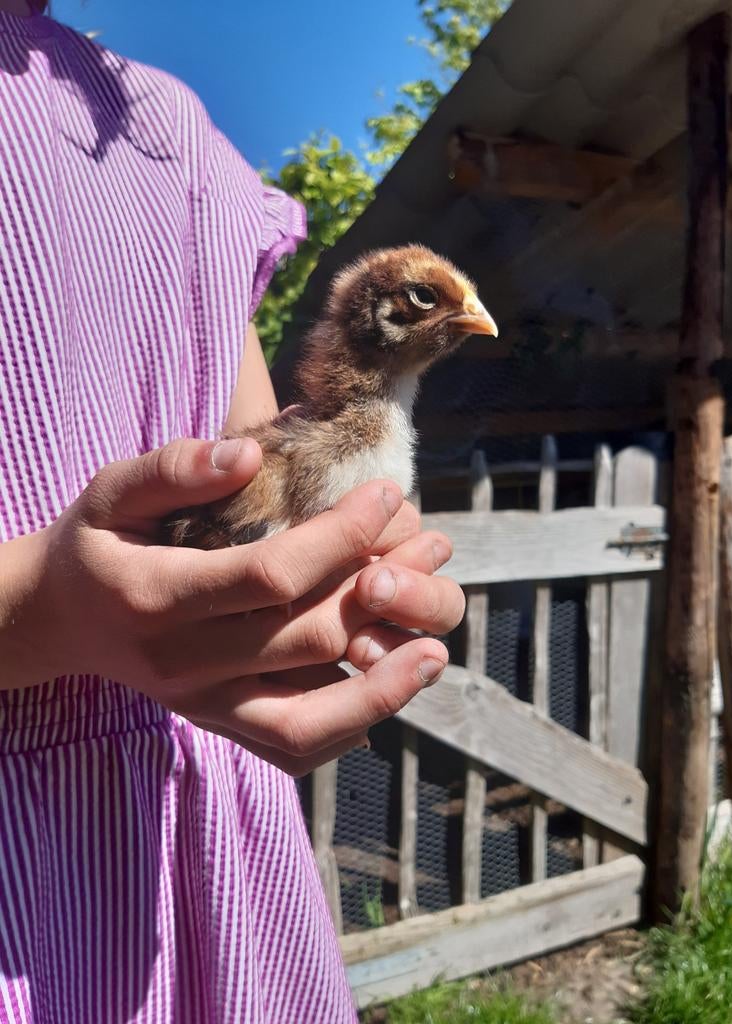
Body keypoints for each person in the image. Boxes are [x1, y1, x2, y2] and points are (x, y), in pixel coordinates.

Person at [0, 2, 466, 1020]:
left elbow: (263, 458)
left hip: (201, 829)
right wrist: (39, 603)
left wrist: (323, 601)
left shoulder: (175, 138)